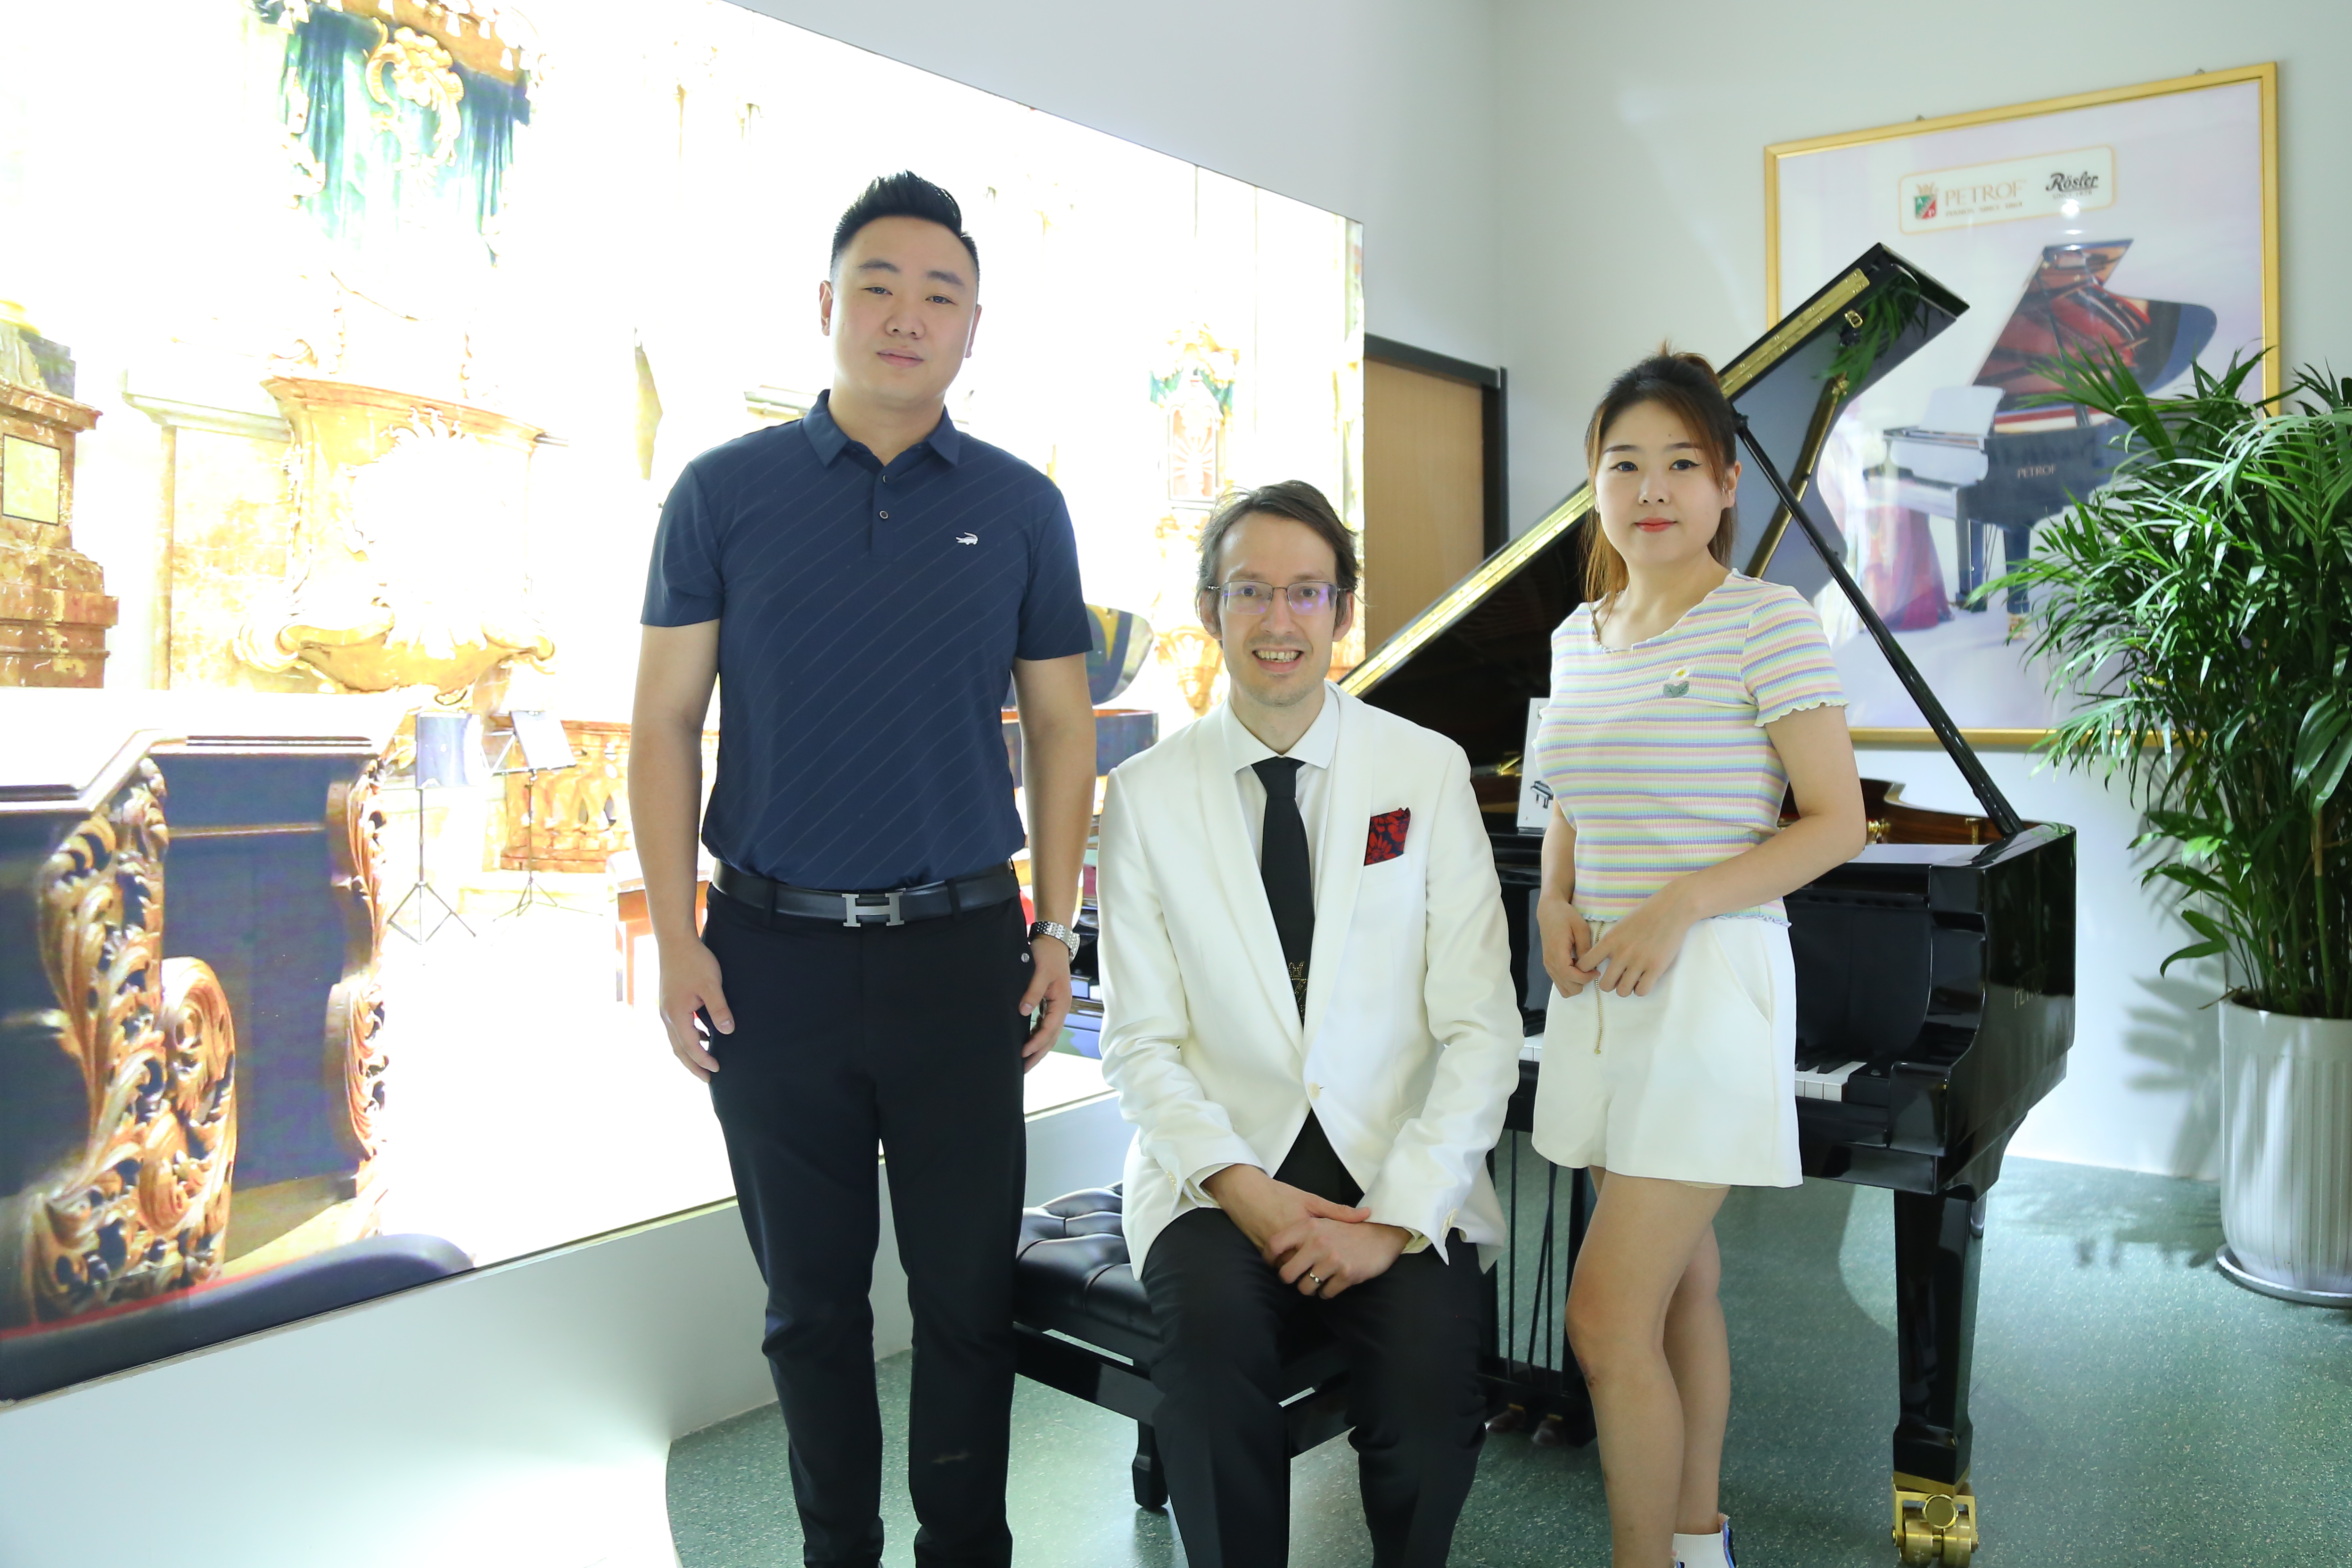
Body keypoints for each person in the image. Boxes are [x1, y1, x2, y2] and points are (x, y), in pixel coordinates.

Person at [630, 171, 1098, 1568]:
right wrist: (679, 938)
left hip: (962, 952)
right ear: (825, 305)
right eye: (879, 286)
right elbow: (664, 723)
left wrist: (1057, 929)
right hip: (769, 957)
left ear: (973, 330)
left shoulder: (1023, 506)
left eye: (940, 294)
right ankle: (836, 1550)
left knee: (966, 1302)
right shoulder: (723, 492)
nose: (907, 315)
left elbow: (1062, 729)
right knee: (810, 1311)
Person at [1095, 481, 1525, 1568]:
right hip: (1217, 1169)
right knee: (1207, 1365)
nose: (1277, 619)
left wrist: (1394, 1220)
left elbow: (1481, 1027)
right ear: (1211, 608)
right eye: (1250, 591)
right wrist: (1243, 1189)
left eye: (1306, 592)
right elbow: (1139, 1041)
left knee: (1430, 1391)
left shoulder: (1423, 771)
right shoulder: (1144, 794)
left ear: (1343, 608)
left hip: (1391, 1161)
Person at [1528, 350, 1867, 1568]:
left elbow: (1837, 822)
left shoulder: (1768, 621)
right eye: (1626, 465)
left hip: (1709, 986)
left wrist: (1679, 905)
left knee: (1603, 1319)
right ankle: (1697, 1541)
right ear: (1596, 485)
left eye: (1682, 464)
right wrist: (1553, 900)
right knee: (1679, 1289)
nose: (1653, 489)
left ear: (1727, 484)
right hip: (1605, 995)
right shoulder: (1577, 636)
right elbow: (1566, 798)